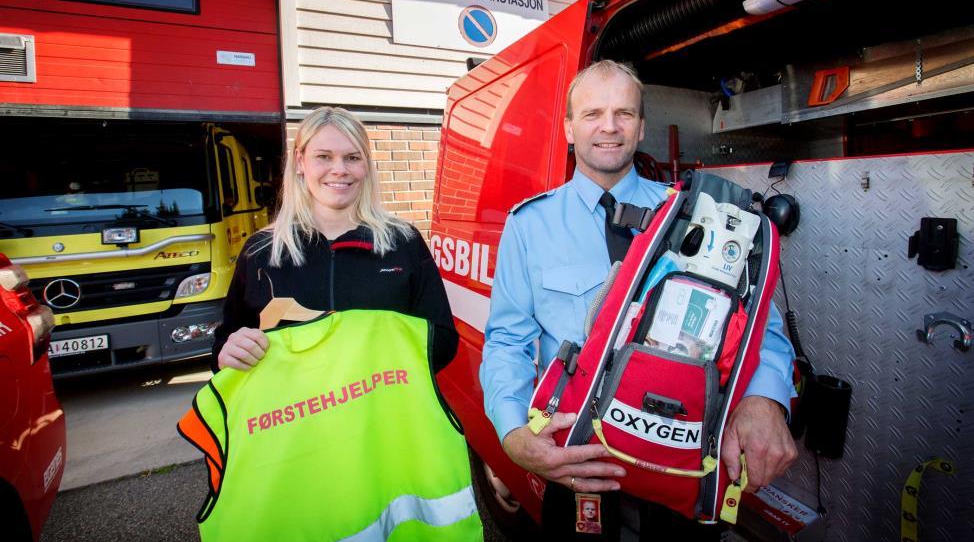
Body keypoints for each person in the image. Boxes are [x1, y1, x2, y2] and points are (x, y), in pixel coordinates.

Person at [481, 60, 798, 540]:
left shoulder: (697, 214)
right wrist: (511, 434)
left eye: (623, 113)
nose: (608, 127)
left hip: (683, 462)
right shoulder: (530, 225)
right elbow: (507, 339)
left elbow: (760, 325)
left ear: (641, 126)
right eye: (591, 114)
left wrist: (765, 398)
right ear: (568, 128)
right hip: (579, 464)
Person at [212, 106, 458, 374]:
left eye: (352, 157)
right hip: (295, 415)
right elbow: (225, 345)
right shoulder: (261, 251)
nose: (339, 169)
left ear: (366, 165)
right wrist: (229, 353)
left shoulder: (404, 242)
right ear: (300, 162)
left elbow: (443, 341)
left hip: (378, 411)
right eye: (324, 157)